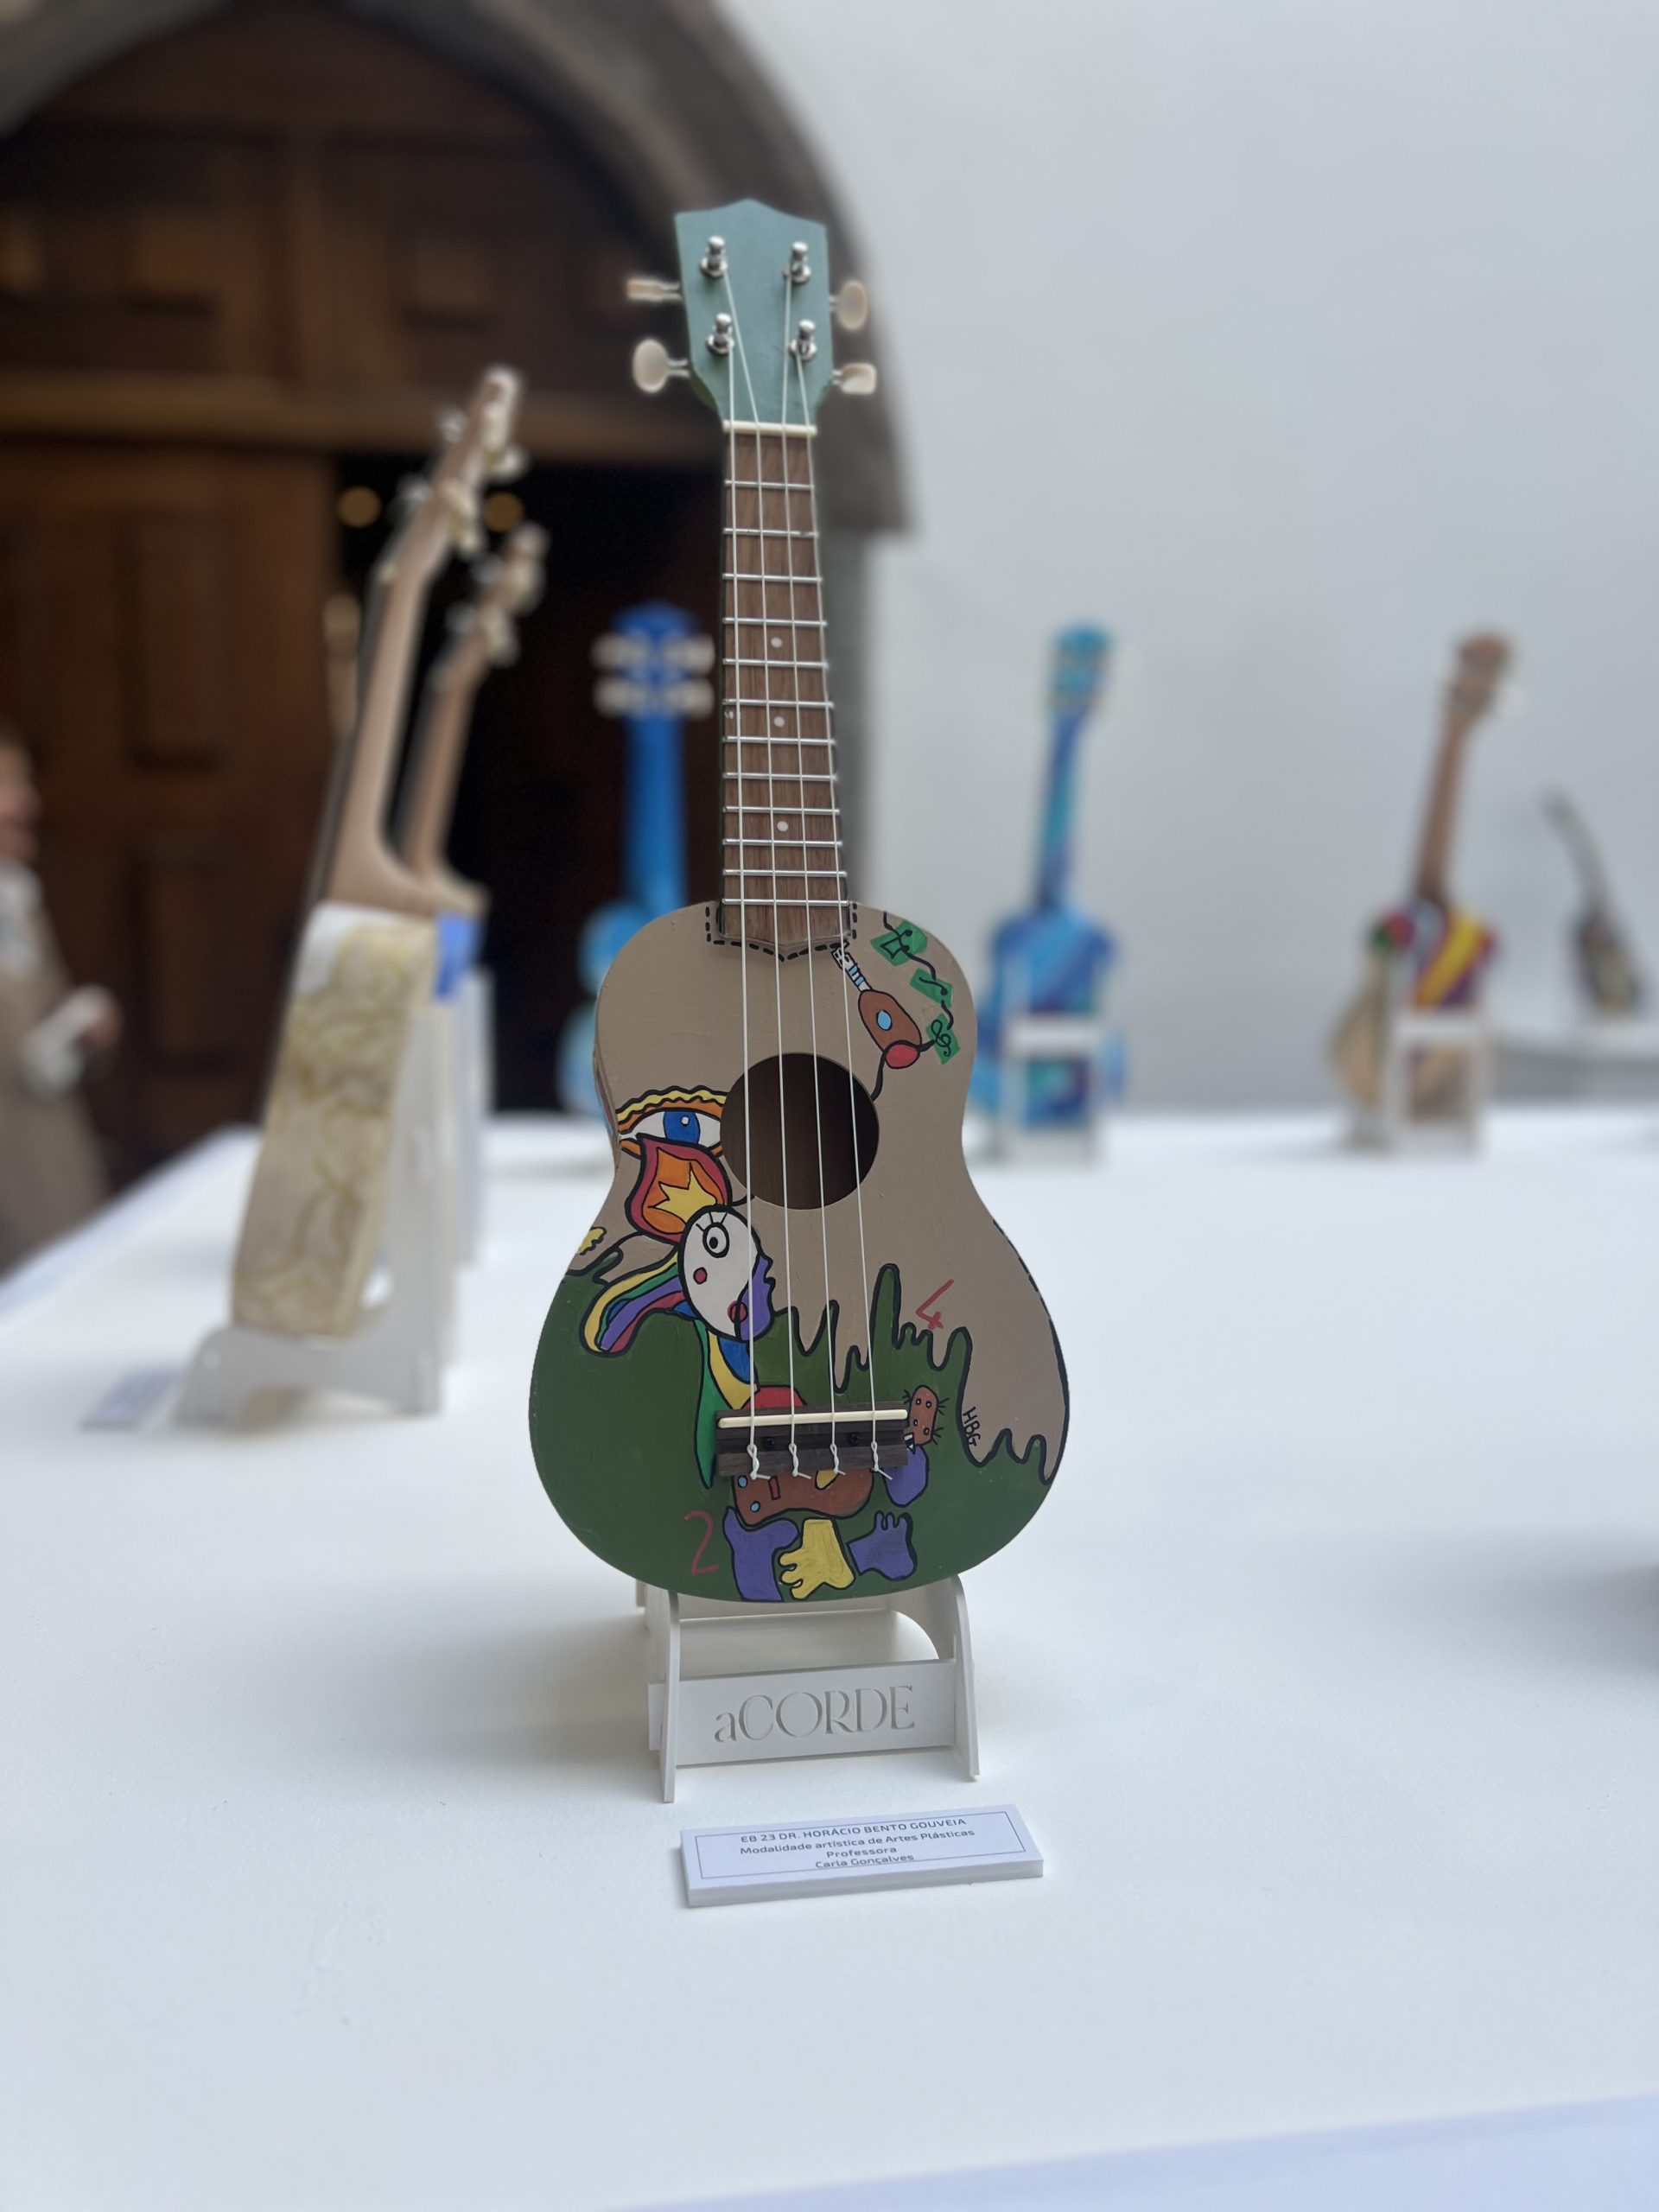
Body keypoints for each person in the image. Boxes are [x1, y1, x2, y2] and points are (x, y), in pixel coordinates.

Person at [0, 723, 119, 1269]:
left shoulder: (19, 899)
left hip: (52, 1153)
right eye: (8, 786)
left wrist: (81, 1026)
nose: (28, 803)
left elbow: (42, 1005)